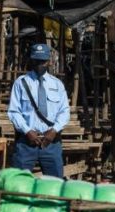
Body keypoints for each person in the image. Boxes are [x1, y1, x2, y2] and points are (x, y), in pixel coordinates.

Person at [7, 43, 71, 178]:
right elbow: (14, 111)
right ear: (31, 60)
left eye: (43, 61)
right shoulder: (21, 82)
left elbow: (64, 111)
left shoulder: (57, 84)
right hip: (26, 143)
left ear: (49, 61)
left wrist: (54, 130)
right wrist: (27, 131)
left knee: (55, 186)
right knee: (20, 185)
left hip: (51, 143)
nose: (40, 64)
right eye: (37, 61)